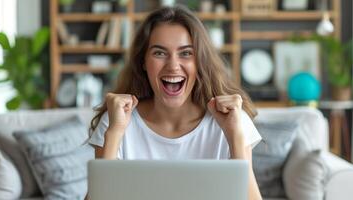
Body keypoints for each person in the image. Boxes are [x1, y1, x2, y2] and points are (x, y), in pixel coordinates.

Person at [88, 6, 262, 200]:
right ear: (143, 62)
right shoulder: (115, 121)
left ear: (200, 62)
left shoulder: (234, 121)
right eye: (159, 53)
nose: (172, 65)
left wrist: (234, 136)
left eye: (186, 53)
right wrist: (114, 133)